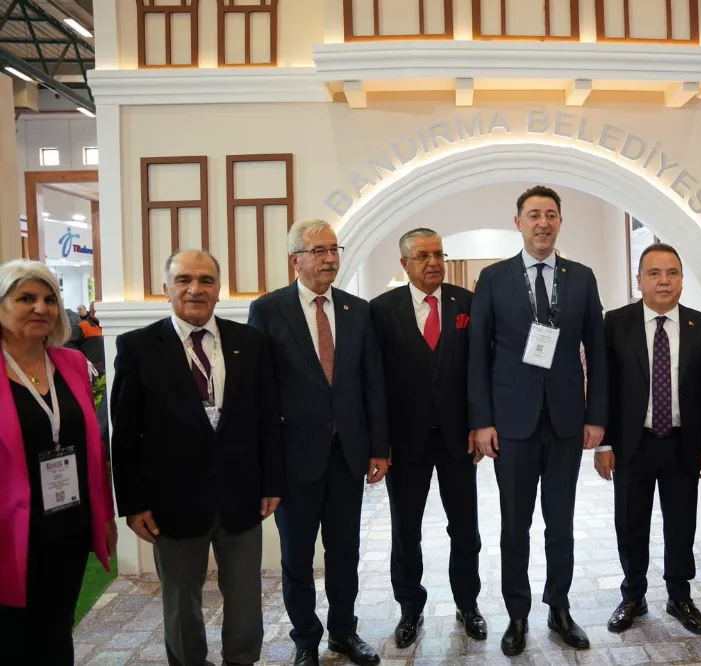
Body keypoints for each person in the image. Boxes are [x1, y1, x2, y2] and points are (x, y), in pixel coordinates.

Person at [111, 249, 283, 666]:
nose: (195, 289)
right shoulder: (137, 347)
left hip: (240, 496)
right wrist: (133, 504)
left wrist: (272, 482)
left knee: (245, 596)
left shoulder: (251, 343)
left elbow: (267, 419)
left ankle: (241, 660)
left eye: (206, 280)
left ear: (219, 289)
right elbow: (125, 434)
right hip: (172, 502)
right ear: (166, 288)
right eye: (184, 279)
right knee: (180, 598)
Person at [468, 185, 608, 656]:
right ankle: (517, 613)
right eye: (534, 215)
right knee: (515, 526)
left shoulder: (582, 277)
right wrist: (482, 420)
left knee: (561, 525)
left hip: (567, 421)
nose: (542, 223)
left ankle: (559, 608)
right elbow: (478, 354)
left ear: (560, 222)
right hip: (511, 423)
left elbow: (597, 351)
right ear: (518, 223)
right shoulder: (493, 278)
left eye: (550, 214)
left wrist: (597, 416)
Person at [248, 219, 389, 666]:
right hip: (294, 460)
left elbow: (372, 382)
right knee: (297, 557)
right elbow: (260, 393)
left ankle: (343, 632)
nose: (330, 259)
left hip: (347, 456)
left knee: (345, 553)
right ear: (295, 260)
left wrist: (379, 447)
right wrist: (266, 466)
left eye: (334, 250)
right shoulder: (268, 310)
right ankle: (306, 639)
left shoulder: (356, 309)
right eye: (319, 251)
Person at [597, 243, 701, 636]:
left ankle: (679, 596)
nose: (664, 281)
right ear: (639, 280)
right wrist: (604, 444)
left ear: (682, 280)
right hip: (631, 444)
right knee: (630, 523)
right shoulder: (616, 323)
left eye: (672, 273)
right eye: (654, 273)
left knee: (681, 523)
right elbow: (603, 387)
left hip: (683, 443)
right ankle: (633, 596)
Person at [370, 228, 486, 648]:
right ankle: (409, 608)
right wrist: (379, 443)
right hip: (405, 443)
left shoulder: (466, 303)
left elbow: (479, 368)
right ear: (405, 264)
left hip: (458, 439)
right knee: (406, 532)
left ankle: (468, 604)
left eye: (438, 254)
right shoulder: (380, 310)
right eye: (423, 256)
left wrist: (480, 423)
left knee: (465, 529)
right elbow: (374, 381)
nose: (433, 262)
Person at [0, 259, 116, 665]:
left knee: (55, 632)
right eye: (26, 298)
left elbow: (92, 446)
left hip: (68, 525)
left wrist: (105, 516)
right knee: (12, 638)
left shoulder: (71, 363)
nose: (41, 308)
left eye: (50, 299)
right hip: (10, 531)